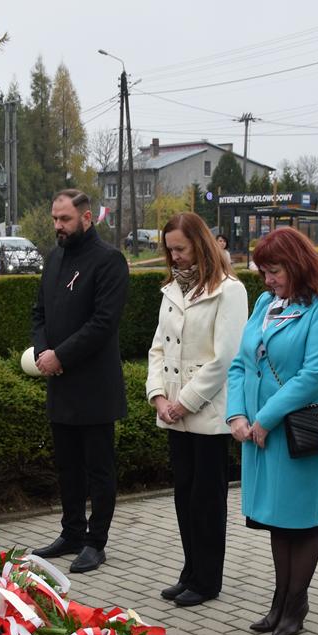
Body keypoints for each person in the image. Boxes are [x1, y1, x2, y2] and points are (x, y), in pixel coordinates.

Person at [226, 228, 318, 635]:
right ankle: (279, 600)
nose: (268, 280)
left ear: (296, 265)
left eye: (274, 271)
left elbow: (314, 376)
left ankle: (296, 603)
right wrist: (237, 414)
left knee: (302, 520)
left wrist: (265, 418)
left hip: (297, 431)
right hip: (260, 431)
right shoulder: (264, 303)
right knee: (277, 519)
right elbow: (241, 363)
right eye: (264, 273)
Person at [147, 212, 248, 607]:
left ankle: (208, 579)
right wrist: (158, 396)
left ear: (201, 245)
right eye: (169, 250)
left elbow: (225, 358)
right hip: (174, 411)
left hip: (206, 412)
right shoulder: (172, 288)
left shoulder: (230, 290)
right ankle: (190, 570)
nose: (174, 257)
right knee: (184, 496)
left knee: (207, 501)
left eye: (181, 249)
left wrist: (183, 402)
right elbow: (157, 348)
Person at [29, 189, 131, 574]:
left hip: (94, 387)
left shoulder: (109, 261)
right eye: (55, 219)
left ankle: (95, 541)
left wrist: (61, 356)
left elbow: (103, 324)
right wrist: (43, 352)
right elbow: (39, 312)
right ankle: (71, 532)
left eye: (65, 219)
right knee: (67, 466)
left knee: (98, 468)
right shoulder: (54, 259)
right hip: (60, 384)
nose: (58, 226)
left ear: (87, 218)